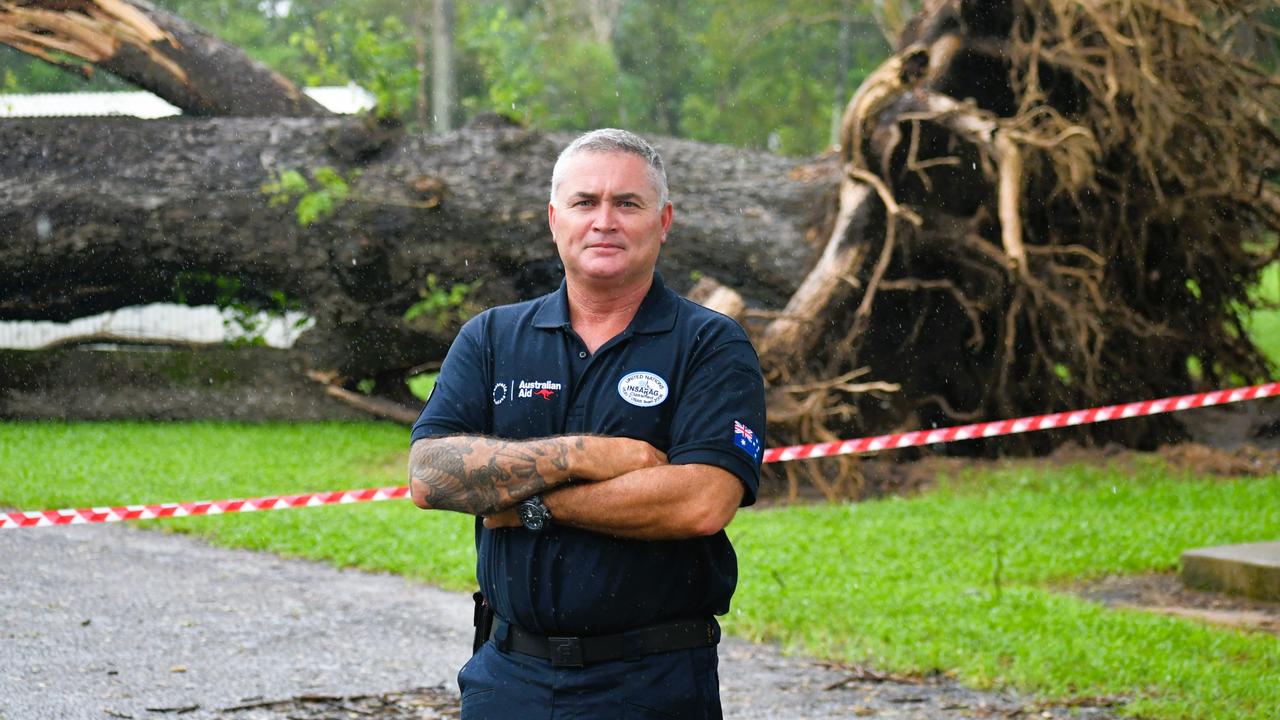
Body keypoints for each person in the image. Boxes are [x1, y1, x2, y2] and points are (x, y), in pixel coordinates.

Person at [408, 128, 766, 719]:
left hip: (651, 681)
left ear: (664, 220)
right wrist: (579, 456)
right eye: (585, 202)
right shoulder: (492, 337)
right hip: (507, 679)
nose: (605, 220)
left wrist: (531, 506)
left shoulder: (710, 344)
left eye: (627, 203)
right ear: (555, 219)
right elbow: (431, 478)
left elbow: (700, 501)